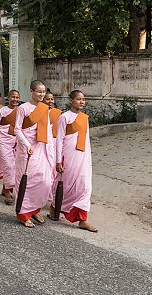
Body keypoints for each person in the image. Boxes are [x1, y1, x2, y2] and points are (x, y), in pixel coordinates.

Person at [50, 90, 97, 232]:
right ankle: (54, 207)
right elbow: (59, 140)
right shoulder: (64, 117)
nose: (81, 102)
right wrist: (58, 161)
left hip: (83, 157)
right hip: (68, 156)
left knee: (85, 186)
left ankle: (83, 219)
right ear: (71, 101)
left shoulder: (84, 118)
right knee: (66, 184)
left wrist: (88, 159)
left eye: (83, 99)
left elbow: (86, 140)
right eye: (78, 99)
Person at [14, 80, 54, 228]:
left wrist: (51, 150)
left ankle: (35, 208)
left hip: (42, 149)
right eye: (39, 92)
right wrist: (27, 144)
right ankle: (24, 214)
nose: (41, 94)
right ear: (31, 91)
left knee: (44, 181)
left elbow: (48, 131)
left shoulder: (45, 108)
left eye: (43, 92)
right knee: (26, 182)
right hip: (27, 150)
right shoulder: (23, 108)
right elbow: (17, 129)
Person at [0, 90, 20, 205]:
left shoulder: (20, 111)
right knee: (8, 166)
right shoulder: (2, 111)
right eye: (12, 97)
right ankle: (8, 192)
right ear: (8, 98)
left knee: (15, 167)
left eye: (17, 97)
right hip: (3, 141)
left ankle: (5, 187)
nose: (15, 99)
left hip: (17, 141)